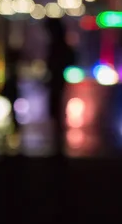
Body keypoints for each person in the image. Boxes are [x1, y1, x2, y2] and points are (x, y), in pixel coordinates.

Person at [45, 19, 75, 158]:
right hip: (59, 82)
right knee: (57, 113)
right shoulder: (60, 44)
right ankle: (58, 146)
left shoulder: (56, 45)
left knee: (56, 113)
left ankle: (58, 147)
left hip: (56, 82)